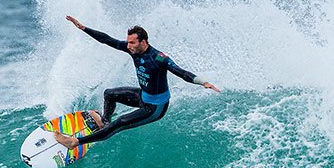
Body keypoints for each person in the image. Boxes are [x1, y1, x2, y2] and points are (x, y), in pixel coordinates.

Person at [52, 16, 220, 150]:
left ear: (143, 42)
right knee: (109, 94)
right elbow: (107, 40)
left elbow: (181, 72)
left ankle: (75, 142)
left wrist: (202, 82)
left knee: (120, 124)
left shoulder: (159, 58)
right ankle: (104, 121)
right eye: (128, 42)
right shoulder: (132, 49)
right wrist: (84, 28)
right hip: (143, 96)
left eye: (132, 42)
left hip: (155, 108)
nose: (128, 45)